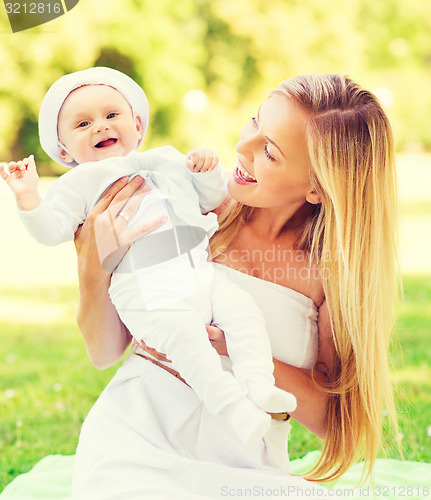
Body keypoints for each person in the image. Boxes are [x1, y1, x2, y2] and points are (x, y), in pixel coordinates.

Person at [68, 72, 399, 499]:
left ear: (318, 186)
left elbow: (336, 422)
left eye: (269, 152)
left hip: (247, 467)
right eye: (253, 123)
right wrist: (92, 268)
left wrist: (239, 349)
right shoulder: (189, 202)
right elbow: (103, 352)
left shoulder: (332, 271)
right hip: (135, 441)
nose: (242, 149)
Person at [0, 67, 297, 445]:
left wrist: (204, 170)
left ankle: (259, 385)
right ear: (63, 151)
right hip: (145, 288)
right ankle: (230, 404)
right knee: (185, 337)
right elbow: (51, 230)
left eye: (111, 115)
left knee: (242, 312)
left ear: (137, 124)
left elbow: (209, 199)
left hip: (199, 272)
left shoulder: (168, 159)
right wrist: (27, 197)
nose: (99, 127)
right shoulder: (78, 184)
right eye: (82, 123)